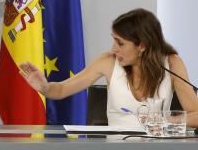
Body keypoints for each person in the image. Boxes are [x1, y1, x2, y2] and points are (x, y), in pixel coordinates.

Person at [19, 8, 198, 126]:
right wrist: (45, 87)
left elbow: (196, 115)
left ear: (142, 45)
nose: (113, 48)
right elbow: (61, 90)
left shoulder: (172, 63)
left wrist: (166, 120)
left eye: (120, 43)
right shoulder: (107, 62)